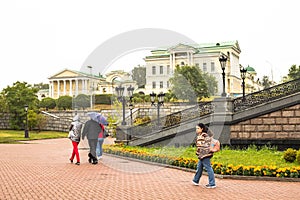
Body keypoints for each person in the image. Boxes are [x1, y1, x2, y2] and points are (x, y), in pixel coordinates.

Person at [192, 123, 220, 189]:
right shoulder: (201, 135)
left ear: (202, 129)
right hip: (202, 155)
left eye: (198, 128)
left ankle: (212, 184)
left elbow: (209, 143)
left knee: (208, 168)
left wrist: (212, 149)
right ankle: (195, 180)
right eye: (196, 128)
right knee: (199, 168)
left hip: (205, 155)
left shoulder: (204, 136)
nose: (196, 130)